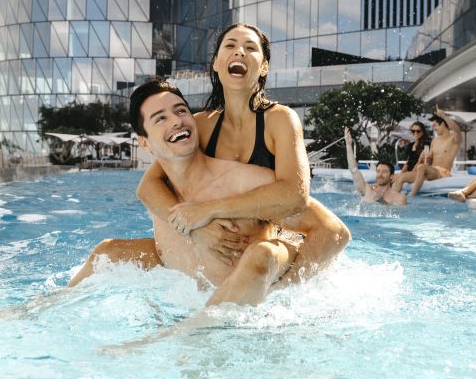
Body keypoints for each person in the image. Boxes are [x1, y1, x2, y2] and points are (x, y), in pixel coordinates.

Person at [69, 80, 329, 306]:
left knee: (262, 255)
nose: (176, 120)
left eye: (181, 111)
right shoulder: (159, 193)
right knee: (107, 252)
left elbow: (333, 231)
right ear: (144, 143)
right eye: (160, 118)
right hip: (186, 300)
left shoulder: (242, 181)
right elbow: (147, 192)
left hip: (238, 317)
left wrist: (284, 286)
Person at [136, 23, 350, 283]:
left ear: (264, 67)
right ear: (216, 64)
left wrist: (209, 211)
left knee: (331, 231)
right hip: (226, 252)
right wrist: (192, 229)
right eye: (230, 45)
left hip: (271, 239)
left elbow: (295, 196)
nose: (239, 52)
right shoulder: (201, 124)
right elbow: (149, 185)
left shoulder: (279, 120)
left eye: (250, 48)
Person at [391, 107, 462, 196]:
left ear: (443, 124)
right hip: (429, 172)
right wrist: (425, 157)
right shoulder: (435, 141)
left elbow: (457, 130)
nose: (434, 128)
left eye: (435, 126)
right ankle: (391, 200)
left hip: (442, 173)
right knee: (402, 177)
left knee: (421, 167)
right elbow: (429, 159)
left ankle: (412, 196)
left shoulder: (453, 139)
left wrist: (444, 116)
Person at [344, 127, 407, 206]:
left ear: (391, 176)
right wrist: (348, 145)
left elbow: (398, 215)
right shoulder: (366, 190)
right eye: (378, 171)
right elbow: (353, 170)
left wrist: (382, 202)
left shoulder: (399, 198)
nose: (380, 174)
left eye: (384, 172)